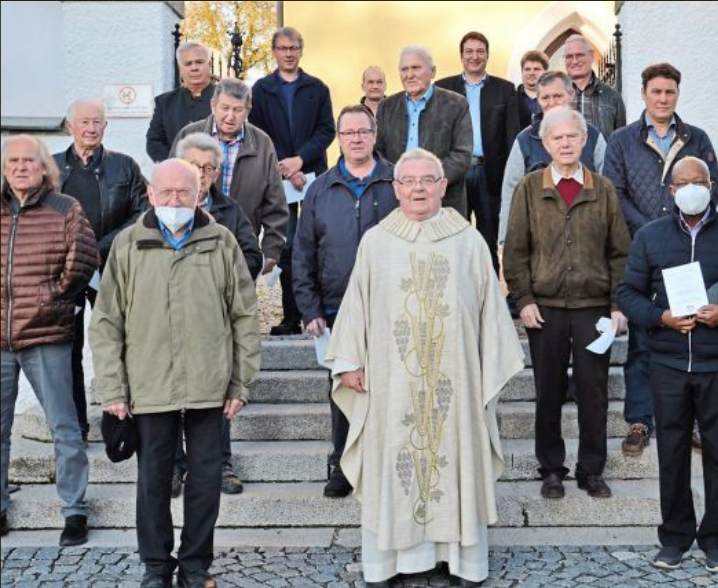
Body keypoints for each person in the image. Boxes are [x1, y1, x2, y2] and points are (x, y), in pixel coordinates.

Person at [327, 148, 524, 586]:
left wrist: (488, 368)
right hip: (390, 383)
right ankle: (390, 563)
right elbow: (356, 306)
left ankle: (461, 562)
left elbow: (491, 310)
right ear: (396, 188)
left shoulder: (468, 240)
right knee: (395, 458)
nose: (418, 187)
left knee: (453, 457)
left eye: (427, 180)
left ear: (443, 186)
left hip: (456, 382)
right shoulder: (377, 241)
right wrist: (348, 361)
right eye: (409, 180)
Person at [89, 159, 260, 588]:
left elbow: (244, 314)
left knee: (204, 483)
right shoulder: (129, 244)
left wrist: (241, 380)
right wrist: (112, 387)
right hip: (148, 385)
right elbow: (107, 321)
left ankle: (196, 563)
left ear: (200, 194)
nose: (174, 200)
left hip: (209, 384)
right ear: (150, 194)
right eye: (165, 192)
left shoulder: (221, 242)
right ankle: (157, 566)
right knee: (153, 482)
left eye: (184, 192)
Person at [503, 109, 630, 501]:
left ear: (584, 140)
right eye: (557, 138)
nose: (565, 143)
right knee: (549, 390)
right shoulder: (528, 188)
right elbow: (516, 251)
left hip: (594, 309)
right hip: (546, 309)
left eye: (572, 136)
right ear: (545, 144)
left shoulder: (604, 189)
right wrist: (523, 299)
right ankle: (551, 469)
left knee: (593, 391)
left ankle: (591, 470)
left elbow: (620, 253)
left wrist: (617, 305)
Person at [604, 62, 718, 457]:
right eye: (657, 92)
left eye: (670, 92)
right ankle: (639, 420)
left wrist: (679, 227)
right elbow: (614, 192)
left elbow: (709, 188)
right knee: (643, 337)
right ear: (644, 95)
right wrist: (657, 229)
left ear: (677, 95)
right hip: (646, 248)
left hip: (691, 249)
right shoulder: (622, 140)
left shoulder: (698, 139)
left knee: (694, 333)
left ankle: (695, 424)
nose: (663, 98)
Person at [617, 157, 717, 573]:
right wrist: (661, 319)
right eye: (683, 183)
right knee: (672, 452)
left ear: (710, 186)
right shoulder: (649, 236)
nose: (692, 188)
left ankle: (715, 540)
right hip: (668, 362)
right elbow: (627, 293)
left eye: (700, 181)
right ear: (671, 191)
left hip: (715, 363)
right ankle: (674, 537)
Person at [292, 104, 398, 499]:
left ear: (374, 135)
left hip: (389, 309)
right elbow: (302, 252)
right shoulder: (320, 188)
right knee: (342, 391)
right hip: (337, 309)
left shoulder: (395, 181)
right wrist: (309, 308)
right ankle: (342, 465)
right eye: (348, 132)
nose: (355, 138)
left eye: (362, 131)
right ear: (339, 137)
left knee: (388, 389)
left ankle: (385, 465)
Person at [1, 135, 98, 544]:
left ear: (44, 168)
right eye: (13, 161)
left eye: (29, 161)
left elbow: (84, 259)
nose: (21, 167)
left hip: (46, 334)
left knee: (64, 425)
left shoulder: (65, 208)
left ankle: (74, 509)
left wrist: (52, 299)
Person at [172, 131, 263, 498]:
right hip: (171, 316)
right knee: (172, 394)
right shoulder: (161, 207)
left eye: (209, 167)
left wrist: (223, 273)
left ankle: (220, 462)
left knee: (216, 390)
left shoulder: (229, 211)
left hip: (214, 316)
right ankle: (176, 466)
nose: (202, 172)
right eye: (195, 165)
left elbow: (252, 256)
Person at [54, 97, 148, 444]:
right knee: (69, 349)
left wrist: (98, 247)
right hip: (68, 273)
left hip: (114, 268)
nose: (91, 128)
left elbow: (141, 213)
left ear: (105, 127)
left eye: (97, 122)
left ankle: (125, 423)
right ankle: (77, 425)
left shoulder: (125, 166)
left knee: (123, 343)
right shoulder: (51, 170)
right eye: (84, 122)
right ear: (70, 127)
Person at [249, 26, 336, 336]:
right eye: (282, 48)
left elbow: (327, 130)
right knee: (285, 245)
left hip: (312, 176)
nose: (288, 53)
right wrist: (285, 166)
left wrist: (300, 160)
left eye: (293, 47)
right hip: (277, 179)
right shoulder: (261, 90)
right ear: (274, 52)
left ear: (302, 50)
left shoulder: (317, 88)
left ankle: (318, 312)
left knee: (315, 243)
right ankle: (290, 314)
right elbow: (258, 133)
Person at [173, 78, 289, 283]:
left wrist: (271, 249)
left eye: (237, 110)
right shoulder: (189, 135)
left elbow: (275, 201)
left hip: (241, 249)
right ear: (213, 105)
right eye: (225, 108)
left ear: (248, 110)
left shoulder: (262, 143)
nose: (230, 116)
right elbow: (170, 183)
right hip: (188, 244)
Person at [436, 32, 520, 273]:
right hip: (454, 174)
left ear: (487, 55)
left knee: (488, 240)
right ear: (461, 56)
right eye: (469, 52)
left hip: (490, 174)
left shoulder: (505, 90)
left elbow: (511, 136)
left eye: (480, 51)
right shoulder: (442, 88)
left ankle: (490, 295)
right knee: (453, 238)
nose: (475, 57)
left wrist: (507, 177)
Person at [499, 71, 606, 244]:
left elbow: (608, 187)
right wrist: (504, 243)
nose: (551, 103)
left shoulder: (592, 136)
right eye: (545, 98)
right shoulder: (524, 140)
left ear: (571, 95)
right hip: (539, 239)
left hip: (587, 236)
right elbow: (510, 194)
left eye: (558, 96)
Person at [376, 45, 472, 218]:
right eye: (404, 69)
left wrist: (429, 182)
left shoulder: (456, 104)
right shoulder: (386, 107)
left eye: (416, 68)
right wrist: (402, 183)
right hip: (396, 201)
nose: (409, 75)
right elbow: (377, 151)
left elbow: (462, 154)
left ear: (433, 71)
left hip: (445, 202)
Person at [147, 41, 215, 162]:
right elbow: (154, 142)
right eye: (188, 64)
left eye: (199, 62)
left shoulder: (225, 98)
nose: (194, 68)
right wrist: (175, 165)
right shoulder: (165, 102)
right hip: (178, 175)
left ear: (209, 65)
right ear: (180, 68)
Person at [562, 34, 626, 140]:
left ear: (591, 55)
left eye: (580, 55)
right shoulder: (555, 96)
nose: (574, 61)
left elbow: (622, 140)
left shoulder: (611, 96)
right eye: (569, 56)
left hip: (602, 157)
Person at [517, 50, 549, 129]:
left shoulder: (553, 98)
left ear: (545, 72)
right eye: (527, 69)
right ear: (522, 72)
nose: (531, 73)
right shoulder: (511, 99)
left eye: (536, 69)